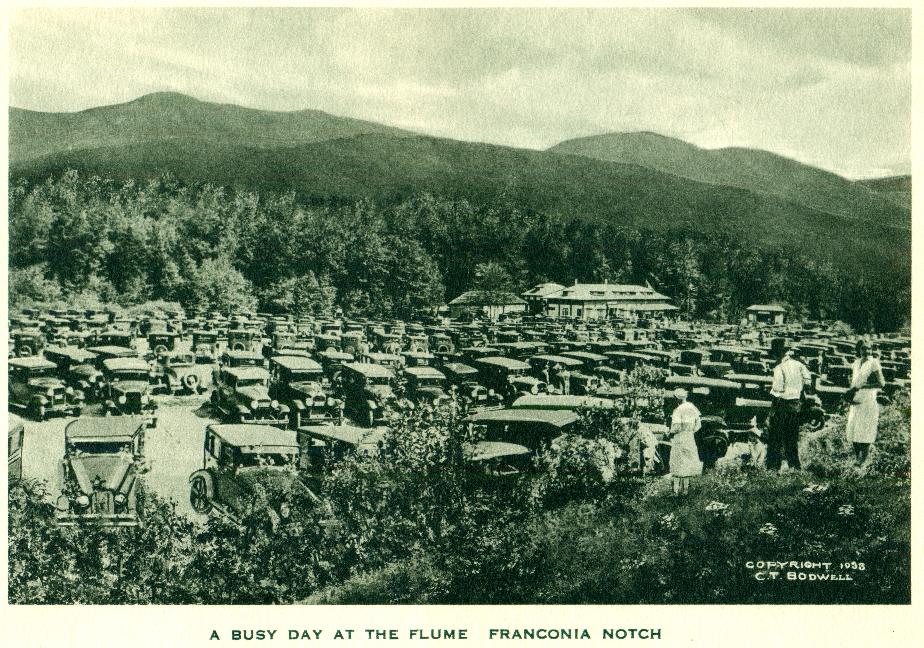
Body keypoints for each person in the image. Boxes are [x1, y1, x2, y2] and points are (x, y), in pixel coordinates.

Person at [767, 344, 812, 472]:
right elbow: (808, 382)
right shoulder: (799, 365)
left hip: (782, 405)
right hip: (796, 405)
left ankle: (773, 468)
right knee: (791, 438)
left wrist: (772, 411)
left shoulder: (779, 368)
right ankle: (794, 466)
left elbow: (777, 390)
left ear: (778, 354)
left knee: (775, 438)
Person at [845, 339, 886, 466]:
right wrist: (851, 391)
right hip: (856, 400)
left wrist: (861, 387)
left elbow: (881, 383)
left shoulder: (874, 363)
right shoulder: (856, 363)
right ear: (859, 350)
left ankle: (863, 461)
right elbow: (854, 381)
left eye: (869, 348)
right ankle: (857, 459)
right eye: (864, 348)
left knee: (865, 431)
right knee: (853, 430)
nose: (867, 351)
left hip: (868, 400)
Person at [668, 387, 702, 495]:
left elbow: (677, 427)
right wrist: (691, 431)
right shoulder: (692, 407)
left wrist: (670, 432)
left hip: (680, 438)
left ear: (677, 399)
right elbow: (698, 424)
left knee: (677, 464)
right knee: (687, 464)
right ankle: (685, 491)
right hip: (689, 437)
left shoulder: (678, 410)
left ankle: (675, 492)